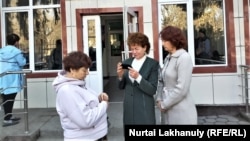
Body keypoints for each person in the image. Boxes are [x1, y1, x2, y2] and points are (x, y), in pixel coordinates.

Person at [52, 51, 109, 141]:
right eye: (84, 70)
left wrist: (99, 99)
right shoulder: (67, 91)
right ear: (72, 70)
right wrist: (104, 105)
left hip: (95, 136)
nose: (87, 73)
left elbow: (85, 104)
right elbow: (86, 120)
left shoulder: (78, 84)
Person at [155, 25, 197, 124]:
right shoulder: (168, 58)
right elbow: (161, 80)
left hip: (181, 111)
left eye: (165, 40)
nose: (163, 43)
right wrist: (159, 99)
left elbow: (182, 88)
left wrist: (165, 104)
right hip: (167, 109)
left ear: (174, 40)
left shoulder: (184, 58)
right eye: (163, 40)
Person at [116, 32, 159, 126]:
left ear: (145, 48)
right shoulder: (127, 62)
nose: (134, 52)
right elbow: (120, 87)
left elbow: (152, 89)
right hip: (129, 108)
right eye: (132, 49)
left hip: (144, 108)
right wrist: (120, 76)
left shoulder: (153, 64)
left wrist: (138, 77)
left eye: (137, 49)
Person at [0, 33, 26, 127]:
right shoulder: (16, 52)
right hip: (12, 77)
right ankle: (7, 119)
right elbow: (22, 62)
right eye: (18, 41)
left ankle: (9, 116)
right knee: (10, 98)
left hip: (3, 77)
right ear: (16, 42)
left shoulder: (1, 51)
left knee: (6, 97)